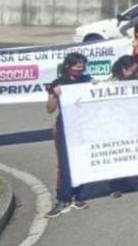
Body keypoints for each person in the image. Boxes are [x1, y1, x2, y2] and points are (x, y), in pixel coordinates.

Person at [46, 53, 94, 217]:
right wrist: (54, 94)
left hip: (82, 127)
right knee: (64, 163)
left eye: (82, 65)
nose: (80, 69)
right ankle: (62, 198)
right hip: (64, 127)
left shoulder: (86, 79)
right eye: (77, 65)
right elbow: (50, 109)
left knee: (79, 161)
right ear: (68, 66)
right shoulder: (58, 83)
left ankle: (77, 195)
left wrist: (96, 86)